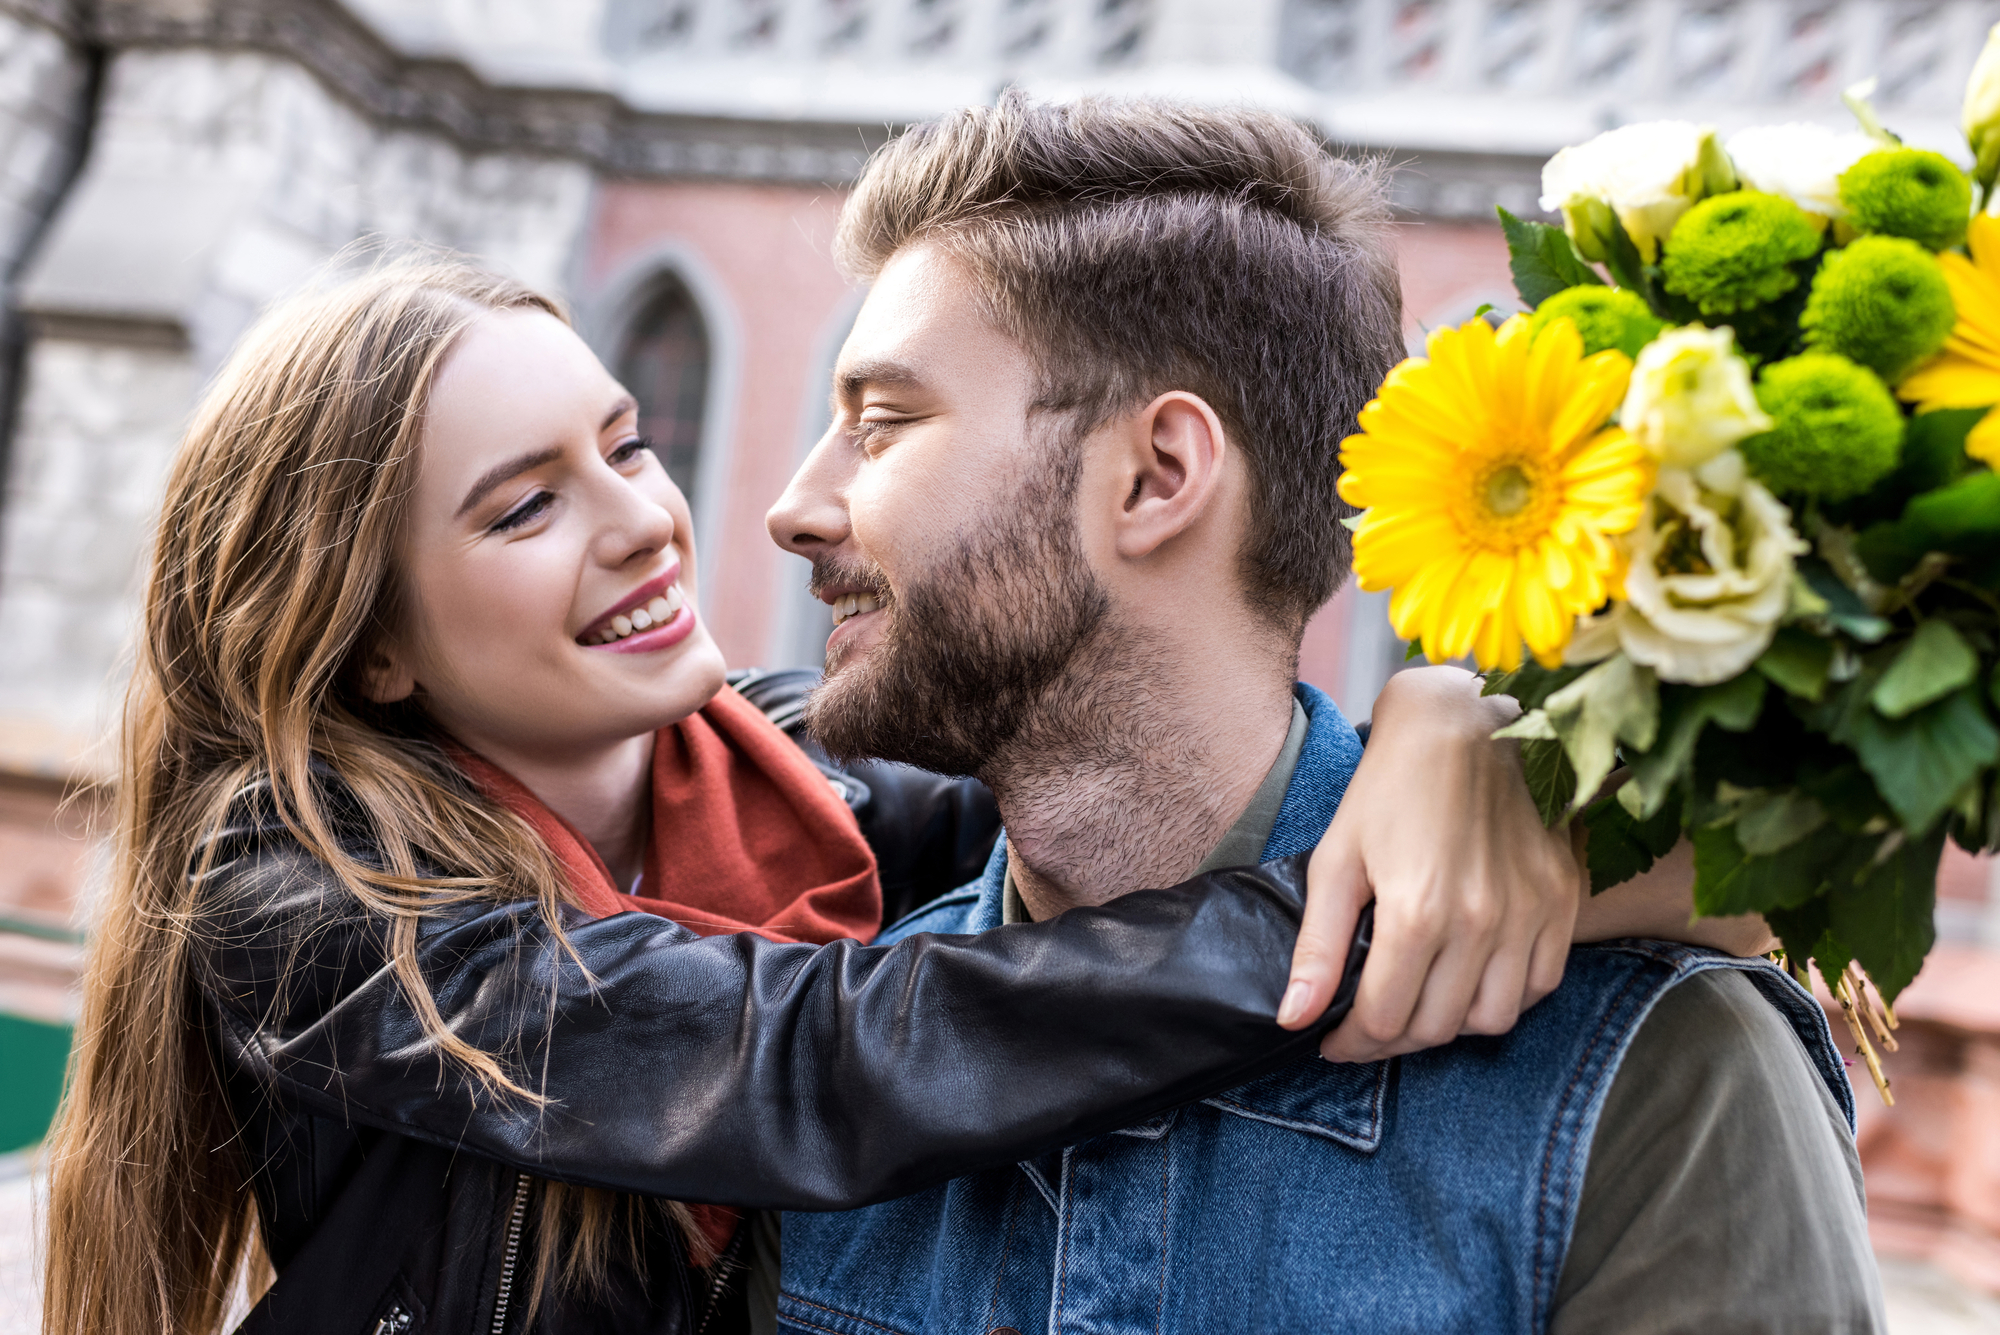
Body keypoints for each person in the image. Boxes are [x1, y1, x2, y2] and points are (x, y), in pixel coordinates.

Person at [42, 258, 1644, 1335]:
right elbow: (811, 1059)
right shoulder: (301, 889)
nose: (644, 521)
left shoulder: (805, 775)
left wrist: (1460, 744)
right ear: (373, 640)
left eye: (629, 441)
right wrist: (1349, 918)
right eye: (526, 506)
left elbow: (1155, 808)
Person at [769, 95, 1885, 1332]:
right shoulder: (838, 1055)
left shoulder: (1655, 1074)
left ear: (1155, 476)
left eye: (882, 425)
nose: (797, 507)